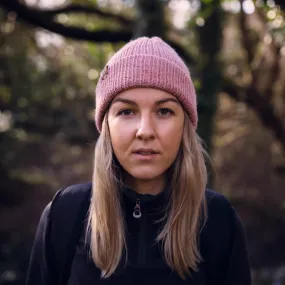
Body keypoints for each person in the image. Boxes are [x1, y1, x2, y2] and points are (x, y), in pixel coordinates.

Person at [26, 37, 251, 285]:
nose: (145, 130)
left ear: (184, 126)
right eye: (127, 111)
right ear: (107, 125)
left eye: (164, 111)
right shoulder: (64, 214)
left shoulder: (218, 219)